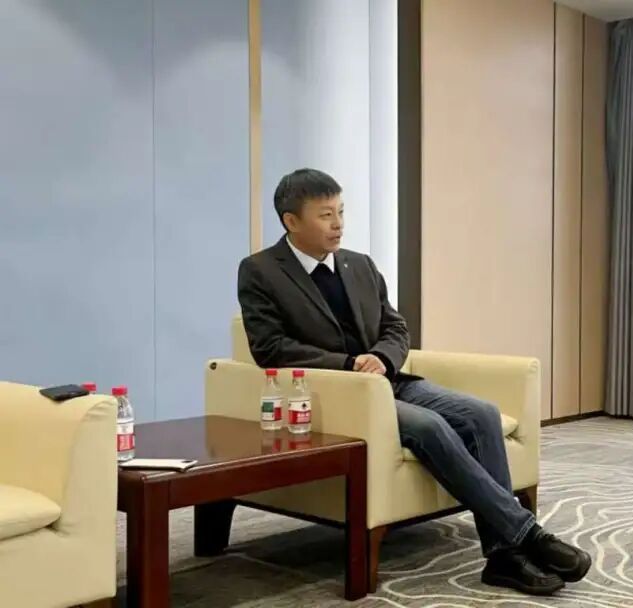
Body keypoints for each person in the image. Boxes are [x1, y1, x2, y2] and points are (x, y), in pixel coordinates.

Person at [238, 168, 591, 596]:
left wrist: (382, 358)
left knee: (481, 414)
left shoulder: (359, 264)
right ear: (291, 221)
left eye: (341, 212)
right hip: (338, 395)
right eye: (326, 215)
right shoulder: (261, 271)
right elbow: (271, 347)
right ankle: (528, 534)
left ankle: (503, 557)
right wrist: (349, 363)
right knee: (430, 426)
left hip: (389, 379)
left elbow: (396, 327)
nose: (338, 224)